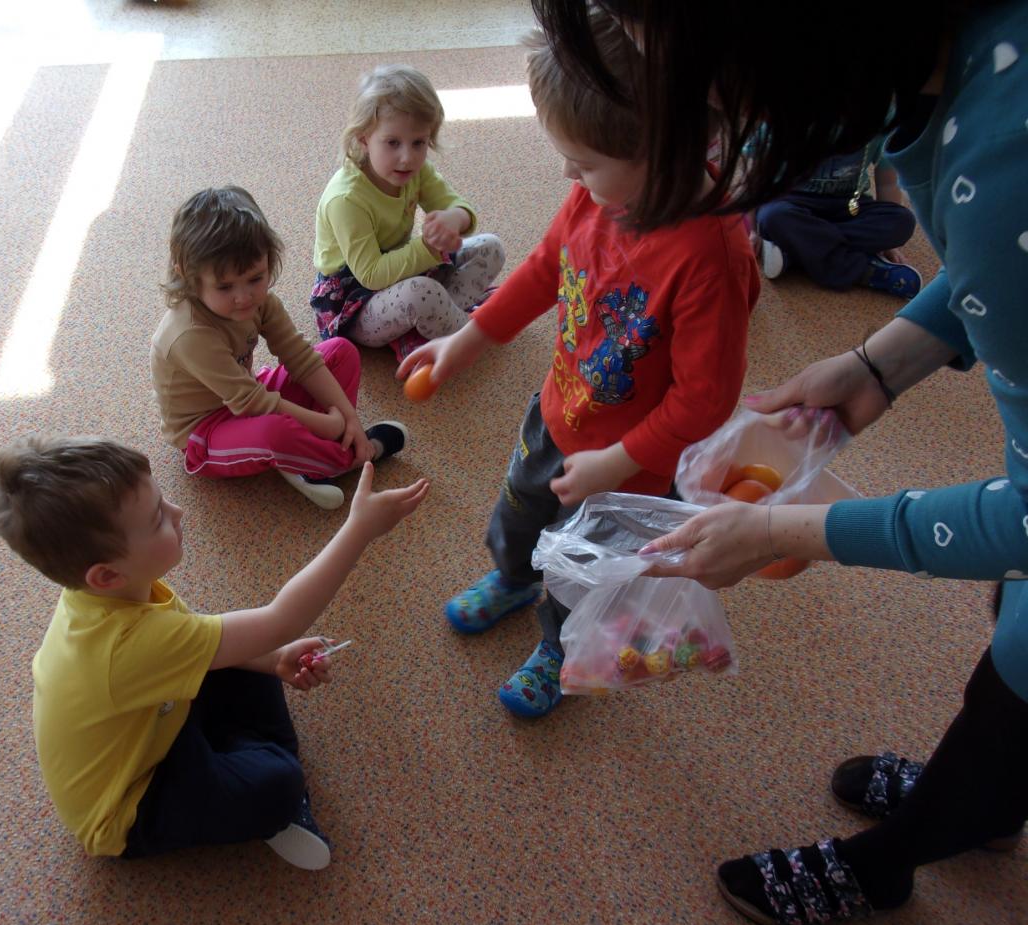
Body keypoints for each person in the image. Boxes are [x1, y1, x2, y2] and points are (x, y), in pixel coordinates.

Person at [531, 0, 1028, 925]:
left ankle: (897, 857)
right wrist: (883, 361)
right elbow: (989, 272)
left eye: (680, 62)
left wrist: (786, 530)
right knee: (1015, 651)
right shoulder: (972, 76)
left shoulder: (1006, 170)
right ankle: (986, 802)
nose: (699, 108)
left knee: (1023, 665)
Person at [397, 15, 758, 719]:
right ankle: (512, 578)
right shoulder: (600, 195)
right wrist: (465, 341)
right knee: (518, 514)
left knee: (581, 572)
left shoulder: (709, 254)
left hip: (632, 468)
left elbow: (705, 401)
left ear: (663, 149)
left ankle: (561, 648)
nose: (568, 174)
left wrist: (617, 462)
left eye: (584, 162)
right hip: (559, 409)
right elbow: (543, 269)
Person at [0, 437, 429, 868]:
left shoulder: (109, 596)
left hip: (150, 726)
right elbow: (283, 620)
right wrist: (358, 530)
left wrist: (273, 659)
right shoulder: (128, 643)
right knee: (280, 783)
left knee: (251, 653)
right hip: (132, 803)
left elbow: (222, 638)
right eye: (158, 518)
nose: (178, 512)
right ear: (106, 574)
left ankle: (245, 757)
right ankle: (273, 788)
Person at [152, 186, 407, 510]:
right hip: (205, 430)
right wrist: (327, 424)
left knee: (340, 351)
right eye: (225, 287)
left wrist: (349, 418)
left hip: (248, 392)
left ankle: (311, 455)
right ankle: (343, 459)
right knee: (274, 432)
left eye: (255, 278)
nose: (244, 297)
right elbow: (250, 402)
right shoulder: (189, 335)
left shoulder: (261, 303)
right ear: (187, 276)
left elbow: (300, 357)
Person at [311, 64, 506, 364]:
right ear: (363, 138)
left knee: (491, 247)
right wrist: (427, 248)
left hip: (404, 269)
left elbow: (457, 206)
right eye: (393, 143)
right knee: (422, 293)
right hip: (355, 298)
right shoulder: (346, 199)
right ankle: (468, 331)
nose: (407, 158)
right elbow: (372, 275)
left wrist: (454, 219)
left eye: (419, 143)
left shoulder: (417, 170)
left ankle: (433, 324)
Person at [752, 134, 922, 298]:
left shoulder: (882, 120)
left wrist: (890, 245)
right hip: (793, 204)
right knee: (772, 216)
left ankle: (794, 251)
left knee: (902, 221)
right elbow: (755, 176)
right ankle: (865, 271)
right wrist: (753, 230)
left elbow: (888, 183)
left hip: (849, 205)